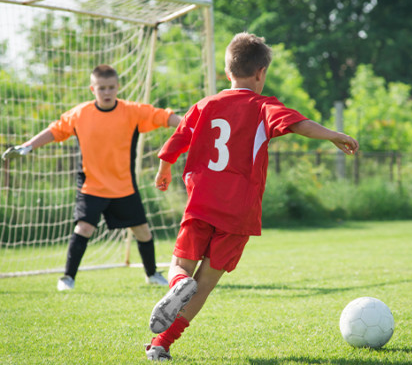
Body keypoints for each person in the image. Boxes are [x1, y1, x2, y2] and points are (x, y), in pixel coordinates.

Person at [144, 33, 359, 361]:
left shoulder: (205, 105)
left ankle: (176, 284)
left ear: (227, 70)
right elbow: (298, 124)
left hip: (201, 201)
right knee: (206, 283)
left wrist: (164, 168)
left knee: (181, 266)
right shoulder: (264, 106)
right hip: (239, 212)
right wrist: (333, 135)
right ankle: (163, 342)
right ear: (260, 72)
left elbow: (178, 138)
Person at [2, 64, 182, 291]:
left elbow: (164, 116)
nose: (107, 92)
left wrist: (189, 127)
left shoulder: (132, 111)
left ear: (118, 87)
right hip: (91, 186)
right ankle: (67, 278)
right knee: (84, 228)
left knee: (142, 231)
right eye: (102, 88)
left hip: (123, 186)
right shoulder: (80, 114)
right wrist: (28, 146)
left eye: (111, 88)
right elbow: (55, 130)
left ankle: (152, 274)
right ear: (92, 89)